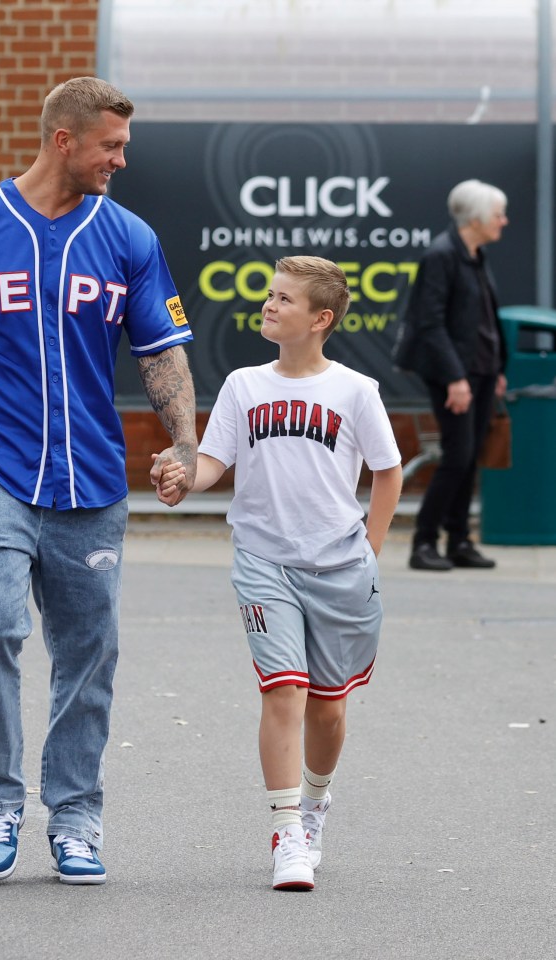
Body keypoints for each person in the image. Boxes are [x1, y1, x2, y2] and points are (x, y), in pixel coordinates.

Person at [0, 76, 197, 885]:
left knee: (89, 653)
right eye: (110, 146)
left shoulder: (129, 237)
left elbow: (161, 352)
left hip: (93, 479)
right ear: (64, 140)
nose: (122, 159)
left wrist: (185, 443)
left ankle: (76, 816)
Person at [152, 256, 402, 891]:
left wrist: (369, 548)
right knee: (282, 691)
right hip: (264, 563)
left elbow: (388, 470)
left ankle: (315, 806)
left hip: (342, 568)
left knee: (328, 707)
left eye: (283, 299)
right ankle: (287, 831)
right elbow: (213, 461)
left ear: (320, 319)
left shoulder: (355, 390)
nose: (269, 305)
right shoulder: (243, 385)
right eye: (269, 295)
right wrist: (184, 474)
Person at [393, 179, 508, 571]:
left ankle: (459, 540)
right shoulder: (441, 256)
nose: (504, 222)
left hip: (480, 372)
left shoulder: (475, 256)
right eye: (498, 215)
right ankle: (424, 542)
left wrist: (496, 371)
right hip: (454, 374)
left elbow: (482, 321)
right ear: (475, 218)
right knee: (457, 457)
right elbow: (430, 323)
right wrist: (456, 379)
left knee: (470, 455)